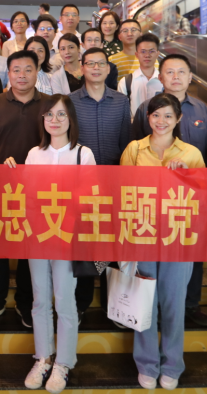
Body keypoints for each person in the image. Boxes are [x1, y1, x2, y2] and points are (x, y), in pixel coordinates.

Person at [5, 94, 94, 394]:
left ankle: (63, 363)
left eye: (61, 114)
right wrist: (11, 173)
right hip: (38, 236)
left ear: (71, 119)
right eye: (49, 115)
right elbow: (26, 195)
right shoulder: (34, 154)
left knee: (65, 301)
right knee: (40, 300)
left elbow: (91, 199)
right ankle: (43, 358)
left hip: (68, 239)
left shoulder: (83, 154)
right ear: (42, 120)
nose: (54, 120)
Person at [120, 93, 205, 391]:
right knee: (145, 302)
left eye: (168, 115)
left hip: (178, 237)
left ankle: (172, 365)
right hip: (141, 234)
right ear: (148, 118)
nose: (161, 121)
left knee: (173, 303)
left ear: (178, 119)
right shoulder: (134, 149)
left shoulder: (191, 153)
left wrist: (186, 176)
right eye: (156, 115)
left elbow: (203, 198)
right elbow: (122, 191)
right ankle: (146, 363)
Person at [131, 53, 207, 328]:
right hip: (149, 208)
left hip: (188, 204)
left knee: (192, 256)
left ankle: (190, 305)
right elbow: (136, 147)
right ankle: (152, 308)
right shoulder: (146, 108)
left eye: (182, 72)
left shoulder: (202, 110)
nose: (176, 77)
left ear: (190, 77)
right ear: (160, 77)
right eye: (170, 72)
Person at [0, 50, 43, 329]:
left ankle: (25, 301)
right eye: (16, 70)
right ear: (8, 73)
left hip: (36, 190)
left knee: (30, 248)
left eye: (28, 69)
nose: (22, 75)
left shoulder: (50, 104)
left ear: (37, 72)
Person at [69, 47, 131, 320]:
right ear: (82, 68)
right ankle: (81, 303)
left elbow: (126, 143)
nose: (95, 68)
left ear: (108, 68)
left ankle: (112, 304)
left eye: (100, 64)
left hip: (114, 185)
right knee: (85, 243)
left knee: (111, 245)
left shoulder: (121, 101)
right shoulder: (70, 101)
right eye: (90, 63)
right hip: (81, 186)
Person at [117, 33, 163, 117]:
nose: (147, 55)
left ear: (157, 54)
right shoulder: (125, 82)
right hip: (134, 125)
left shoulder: (164, 81)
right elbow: (121, 113)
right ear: (137, 55)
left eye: (151, 51)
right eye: (143, 51)